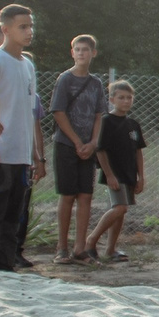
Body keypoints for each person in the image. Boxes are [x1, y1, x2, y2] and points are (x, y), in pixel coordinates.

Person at [0, 4, 45, 271]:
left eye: (31, 26)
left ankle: (4, 268)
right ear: (6, 29)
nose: (29, 32)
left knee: (14, 217)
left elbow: (29, 112)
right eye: (23, 26)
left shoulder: (28, 65)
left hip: (20, 155)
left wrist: (35, 154)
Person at [49, 35, 106, 264]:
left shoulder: (96, 83)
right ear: (72, 53)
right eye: (77, 49)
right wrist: (76, 142)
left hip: (87, 147)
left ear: (93, 53)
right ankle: (62, 248)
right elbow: (58, 112)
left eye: (86, 50)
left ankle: (80, 248)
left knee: (85, 195)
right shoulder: (65, 79)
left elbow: (99, 115)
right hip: (66, 144)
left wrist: (93, 143)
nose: (81, 53)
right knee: (67, 195)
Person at [90, 80, 144, 262]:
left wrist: (141, 177)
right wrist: (110, 175)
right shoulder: (106, 121)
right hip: (114, 174)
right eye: (121, 97)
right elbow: (100, 150)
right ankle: (91, 241)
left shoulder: (133, 125)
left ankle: (110, 249)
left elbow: (138, 151)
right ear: (112, 99)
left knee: (122, 210)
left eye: (129, 98)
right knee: (119, 207)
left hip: (129, 174)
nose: (126, 101)